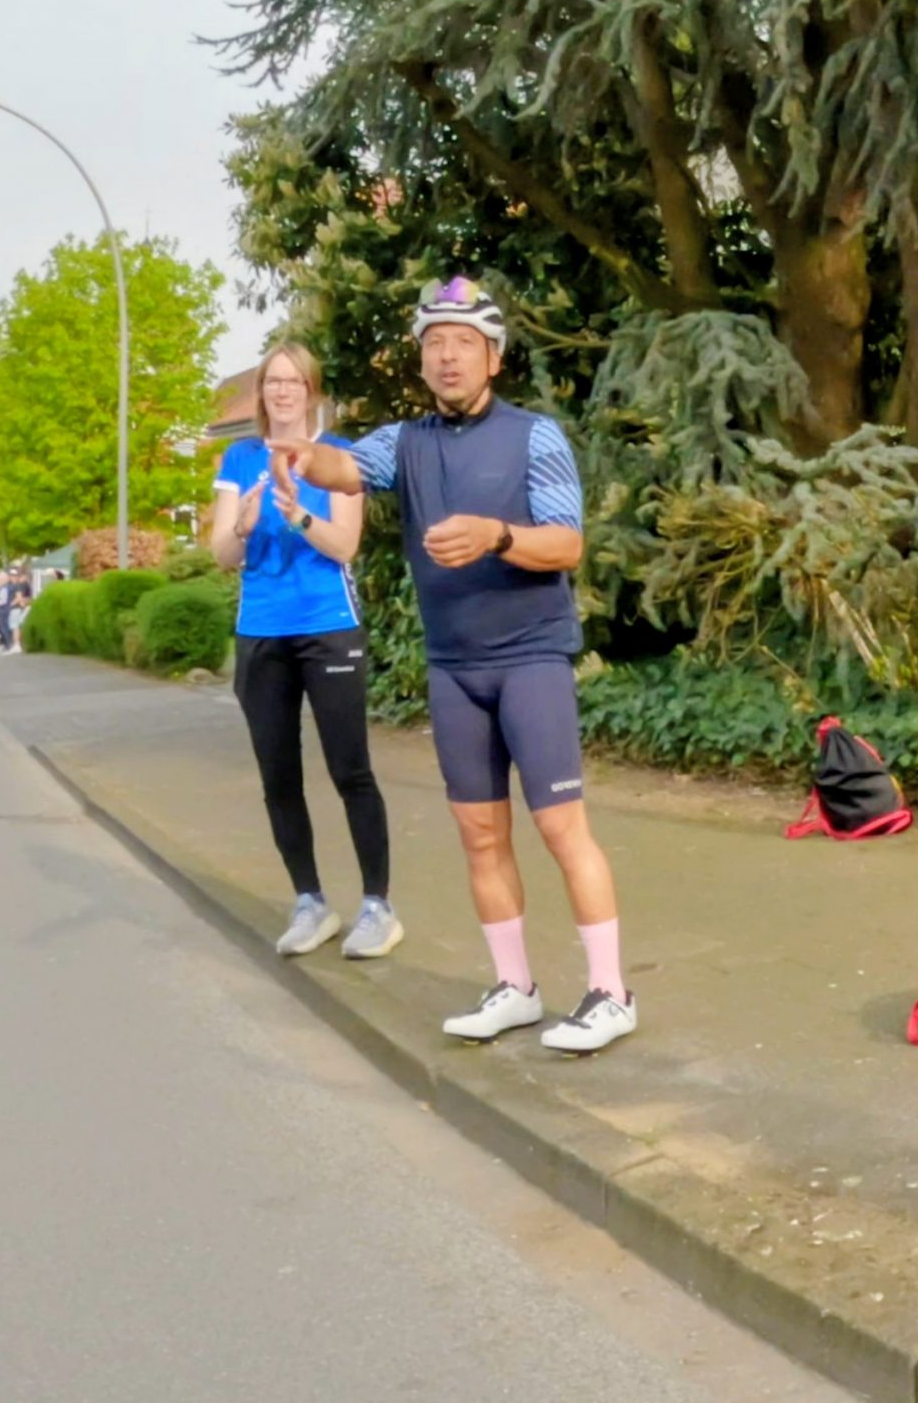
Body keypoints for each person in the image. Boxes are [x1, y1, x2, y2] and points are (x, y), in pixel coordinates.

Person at [274, 277, 636, 1054]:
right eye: (434, 344)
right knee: (478, 831)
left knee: (559, 825)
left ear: (493, 358)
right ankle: (516, 989)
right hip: (454, 666)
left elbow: (568, 545)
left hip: (530, 656)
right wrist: (306, 457)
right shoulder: (404, 443)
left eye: (462, 344)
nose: (446, 357)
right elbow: (346, 470)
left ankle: (611, 992)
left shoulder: (534, 437)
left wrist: (496, 535)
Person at [209, 342, 400, 960]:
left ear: (312, 391)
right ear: (263, 393)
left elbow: (345, 545)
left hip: (327, 628)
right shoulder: (238, 459)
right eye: (274, 382)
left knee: (351, 770)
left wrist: (296, 515)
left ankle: (378, 907)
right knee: (278, 776)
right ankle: (310, 902)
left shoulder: (341, 457)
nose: (283, 392)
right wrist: (240, 525)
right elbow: (222, 555)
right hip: (260, 631)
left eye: (295, 382)